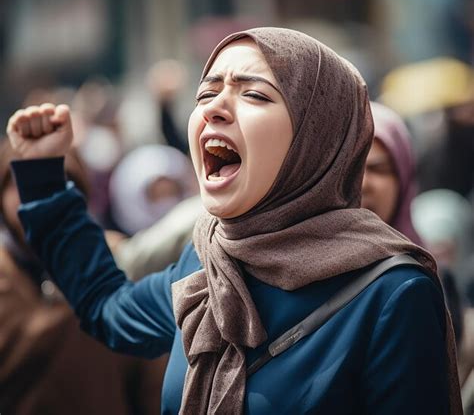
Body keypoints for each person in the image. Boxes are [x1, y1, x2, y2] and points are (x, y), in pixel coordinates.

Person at [6, 27, 461, 414]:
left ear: (315, 138)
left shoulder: (393, 292)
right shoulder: (206, 264)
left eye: (255, 93)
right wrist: (43, 179)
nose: (214, 108)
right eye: (206, 92)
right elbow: (107, 308)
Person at [0, 139, 166, 414]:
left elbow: (151, 372)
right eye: (21, 182)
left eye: (57, 183)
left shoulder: (115, 261)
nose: (36, 196)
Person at [361, 101, 423, 245]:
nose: (363, 184)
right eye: (352, 170)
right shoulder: (307, 262)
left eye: (379, 169)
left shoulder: (423, 265)